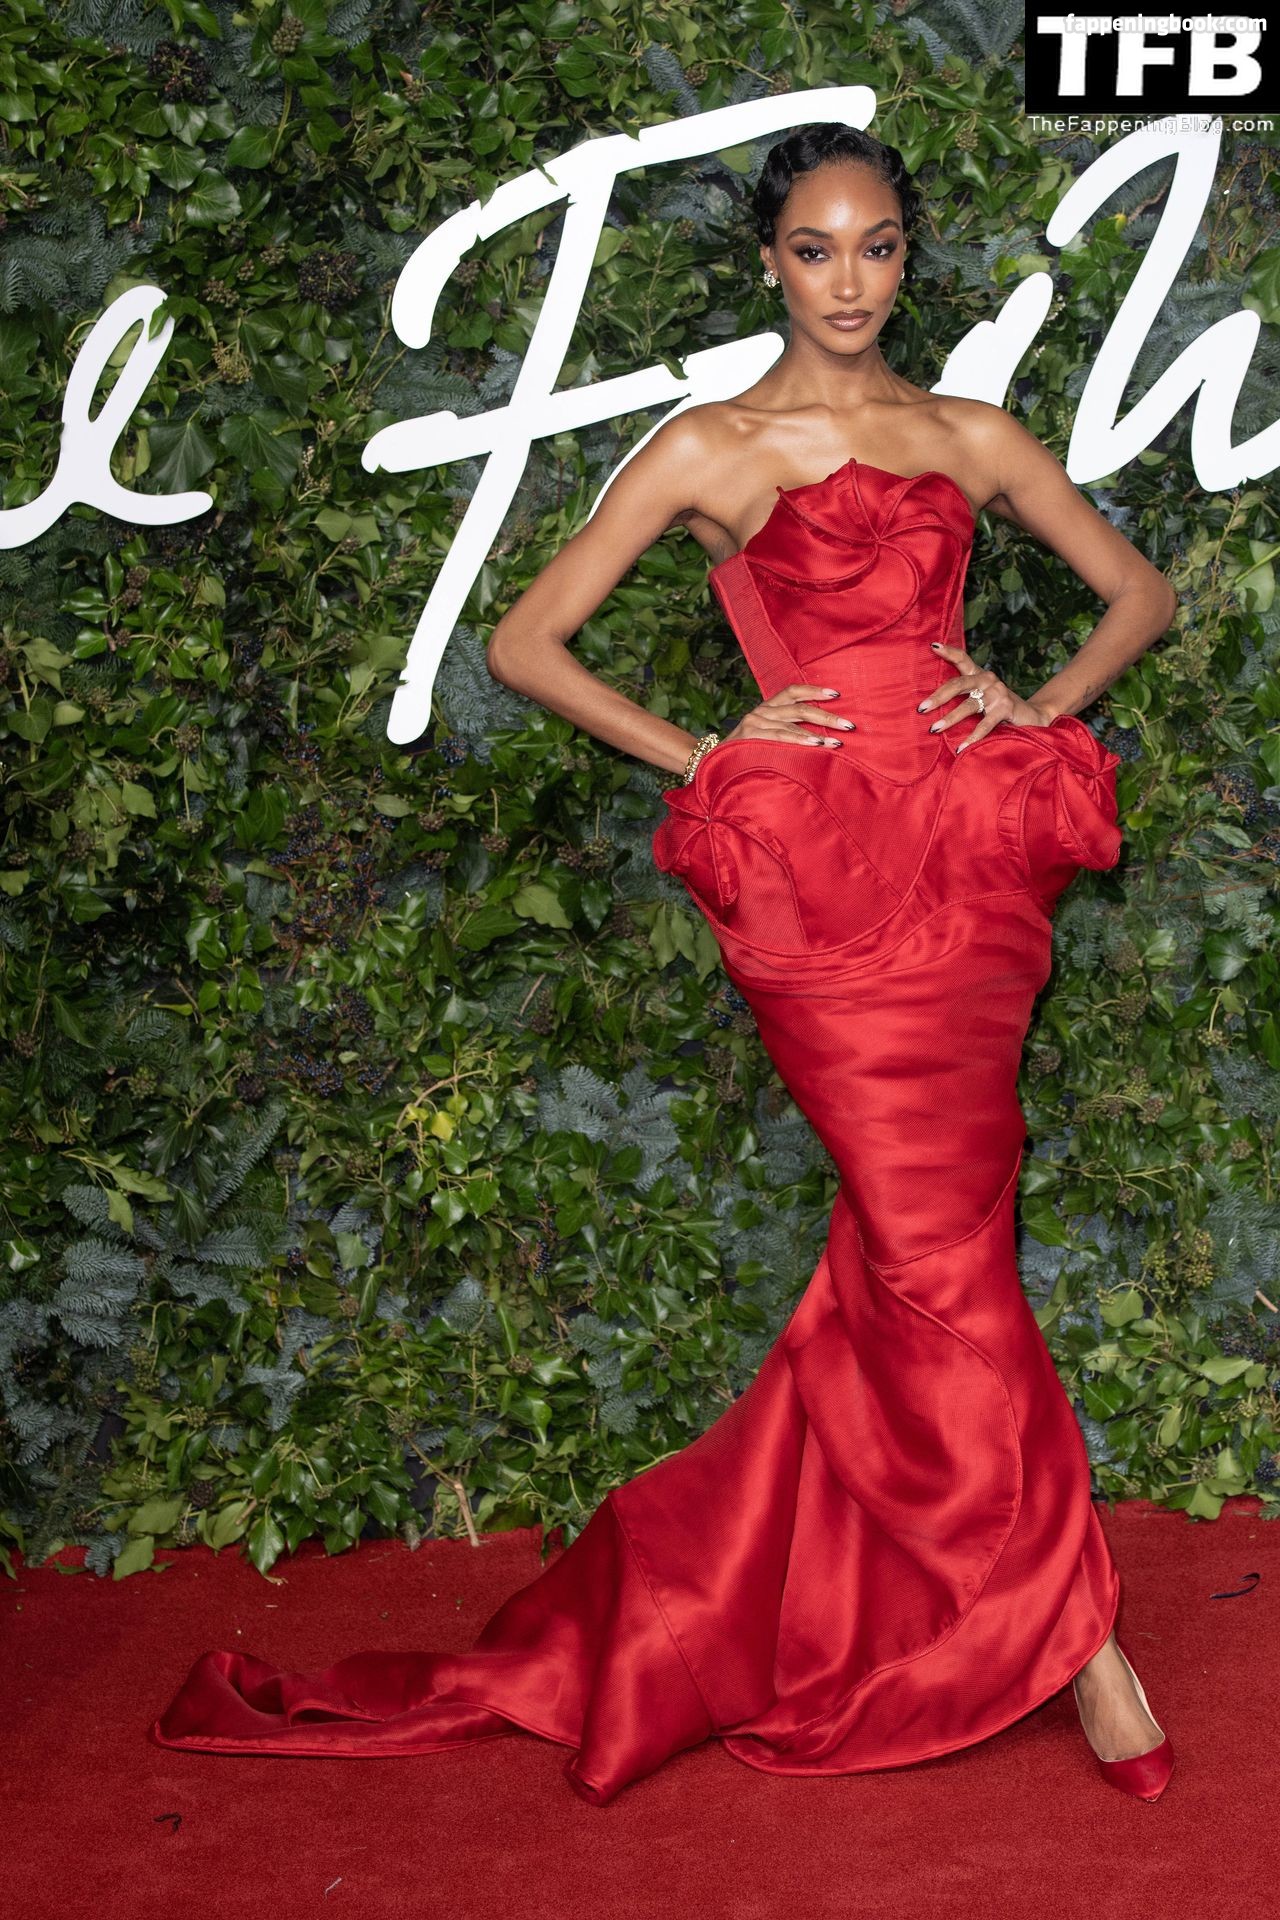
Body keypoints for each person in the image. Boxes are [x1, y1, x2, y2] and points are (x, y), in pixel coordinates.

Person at [152, 123, 1178, 1805]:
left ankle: (898, 1588)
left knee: (931, 1245)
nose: (848, 281)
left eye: (877, 247)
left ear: (907, 256)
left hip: (973, 873)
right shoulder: (709, 445)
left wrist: (1033, 702)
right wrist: (707, 751)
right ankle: (1081, 1638)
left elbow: (1138, 592)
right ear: (767, 260)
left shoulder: (972, 435)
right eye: (814, 249)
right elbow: (525, 642)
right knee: (935, 1246)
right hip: (819, 897)